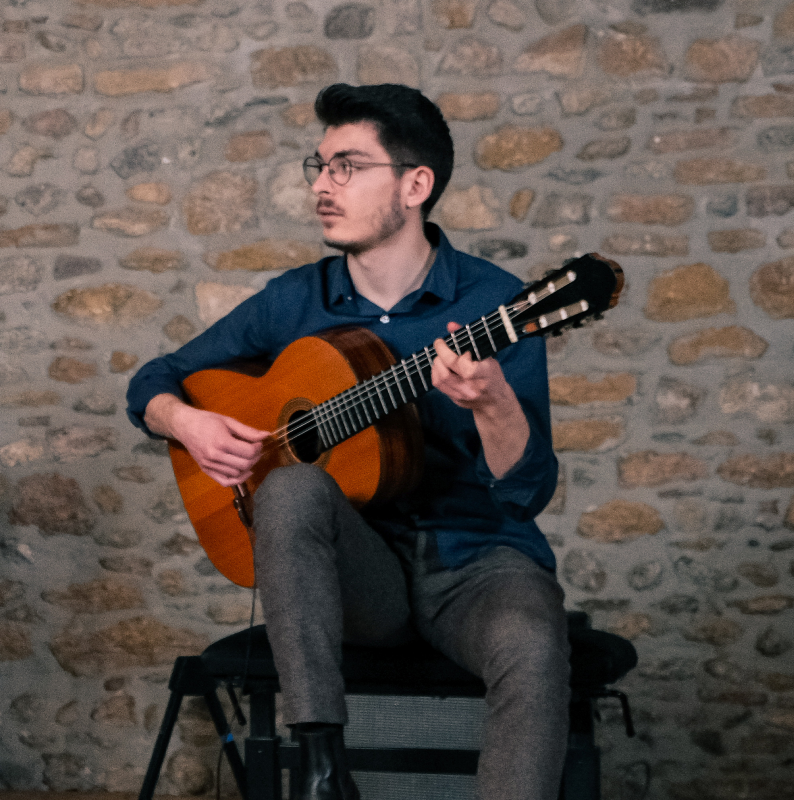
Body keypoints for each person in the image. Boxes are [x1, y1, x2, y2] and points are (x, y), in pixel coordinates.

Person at [127, 84, 565, 800]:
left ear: (415, 184)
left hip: (474, 562)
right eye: (320, 165)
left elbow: (528, 491)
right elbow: (155, 379)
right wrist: (186, 421)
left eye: (348, 167)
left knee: (533, 641)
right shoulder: (295, 301)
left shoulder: (496, 305)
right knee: (294, 484)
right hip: (358, 579)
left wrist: (492, 404)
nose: (322, 186)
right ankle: (325, 775)